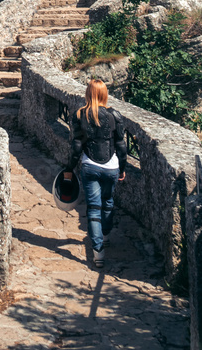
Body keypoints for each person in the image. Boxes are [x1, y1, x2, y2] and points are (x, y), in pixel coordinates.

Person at [66, 79, 127, 268]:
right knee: (108, 201)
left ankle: (98, 252)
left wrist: (69, 168)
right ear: (104, 94)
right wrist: (122, 169)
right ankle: (106, 234)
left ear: (88, 93)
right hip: (111, 167)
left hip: (90, 166)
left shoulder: (79, 115)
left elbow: (77, 147)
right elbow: (121, 146)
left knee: (93, 208)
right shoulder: (114, 115)